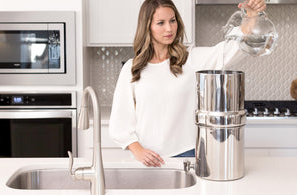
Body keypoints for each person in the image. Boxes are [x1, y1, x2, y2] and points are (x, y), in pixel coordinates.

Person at [109, 0, 266, 167]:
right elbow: (120, 120)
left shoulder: (191, 59)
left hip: (188, 155)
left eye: (172, 20)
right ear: (147, 27)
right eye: (160, 23)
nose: (169, 28)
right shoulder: (132, 69)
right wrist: (138, 150)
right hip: (146, 158)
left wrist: (252, 17)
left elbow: (231, 48)